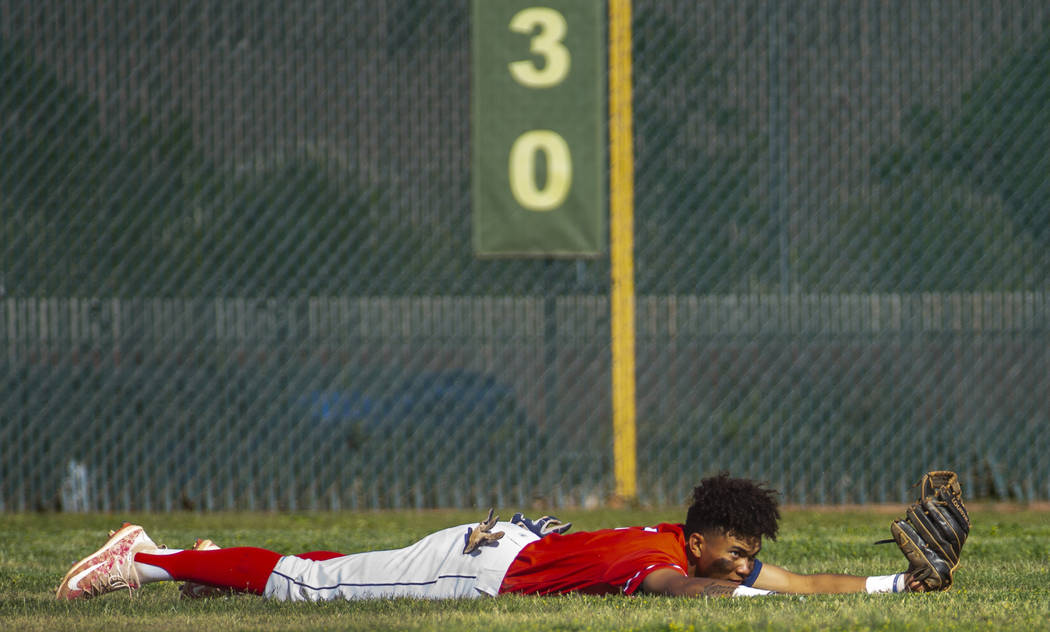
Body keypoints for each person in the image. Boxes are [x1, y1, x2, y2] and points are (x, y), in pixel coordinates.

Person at [56, 472, 922, 601]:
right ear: (699, 545)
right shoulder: (653, 562)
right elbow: (695, 595)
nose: (747, 561)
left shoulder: (680, 537)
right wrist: (729, 589)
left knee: (330, 565)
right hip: (477, 569)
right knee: (306, 585)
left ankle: (200, 563)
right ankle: (146, 557)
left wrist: (895, 586)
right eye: (736, 550)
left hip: (499, 542)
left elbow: (794, 588)